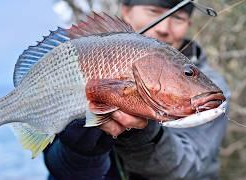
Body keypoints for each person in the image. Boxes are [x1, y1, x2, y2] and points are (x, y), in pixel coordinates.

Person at [43, 0, 231, 179]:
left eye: (178, 18)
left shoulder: (209, 89)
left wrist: (139, 133)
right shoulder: (77, 62)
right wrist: (80, 144)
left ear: (189, 23)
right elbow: (59, 169)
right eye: (154, 12)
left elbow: (189, 169)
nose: (164, 28)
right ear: (126, 11)